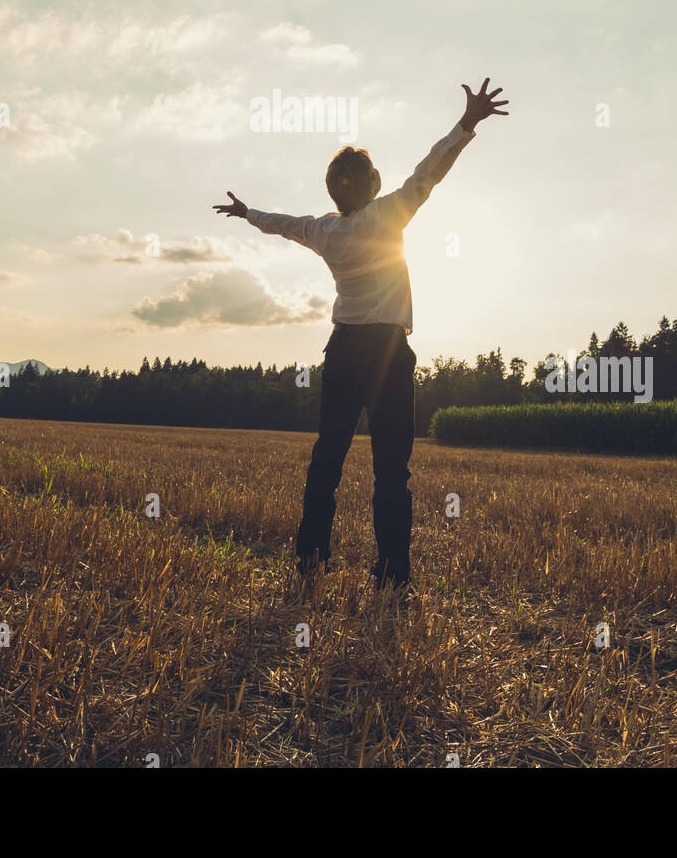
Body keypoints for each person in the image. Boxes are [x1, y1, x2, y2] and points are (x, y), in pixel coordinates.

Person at [213, 79, 508, 589]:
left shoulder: (325, 230)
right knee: (392, 469)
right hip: (388, 355)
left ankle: (310, 561)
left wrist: (246, 214)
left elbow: (282, 223)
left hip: (344, 350)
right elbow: (429, 172)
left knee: (327, 457)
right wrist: (466, 125)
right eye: (376, 174)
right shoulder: (387, 216)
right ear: (372, 187)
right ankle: (391, 575)